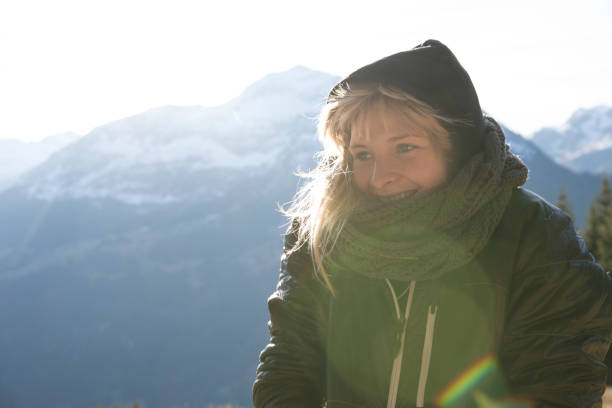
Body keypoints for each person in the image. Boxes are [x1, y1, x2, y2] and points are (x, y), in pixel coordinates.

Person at [252, 39, 612, 408]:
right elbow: (289, 366)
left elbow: (558, 386)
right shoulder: (324, 233)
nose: (380, 177)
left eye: (404, 148)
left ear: (457, 148)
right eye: (363, 154)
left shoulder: (536, 238)